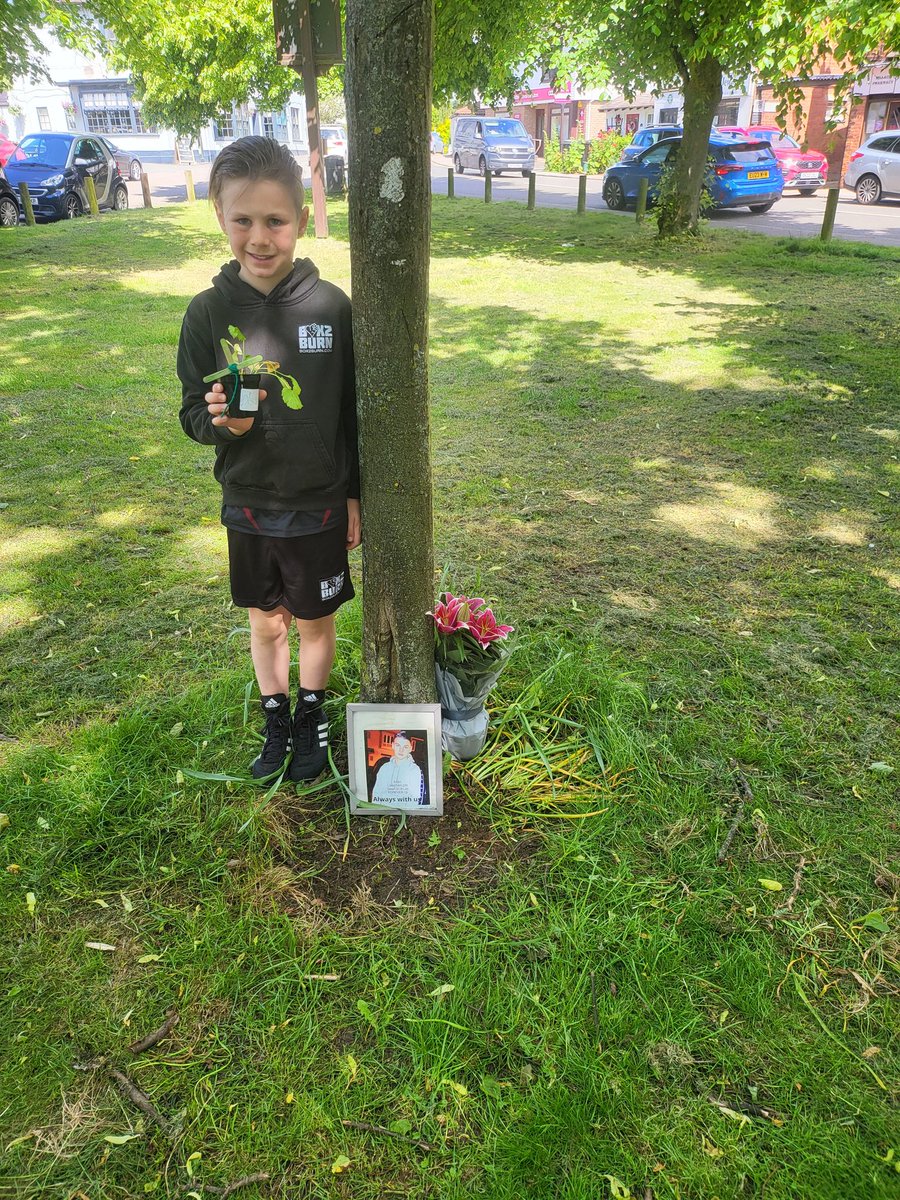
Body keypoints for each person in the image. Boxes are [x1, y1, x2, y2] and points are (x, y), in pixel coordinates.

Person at [177, 136, 360, 783]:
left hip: (318, 504)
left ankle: (311, 718)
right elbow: (193, 413)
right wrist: (224, 424)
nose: (260, 237)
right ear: (221, 219)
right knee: (266, 623)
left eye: (275, 220)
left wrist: (354, 496)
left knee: (314, 622)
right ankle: (276, 717)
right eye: (243, 220)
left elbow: (352, 414)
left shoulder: (332, 309)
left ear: (301, 220)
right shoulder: (207, 314)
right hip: (249, 504)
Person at [371, 732, 426, 806]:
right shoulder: (384, 768)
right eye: (398, 745)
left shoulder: (414, 770)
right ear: (393, 745)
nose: (401, 750)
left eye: (405, 747)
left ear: (410, 748)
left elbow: (414, 800)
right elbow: (376, 795)